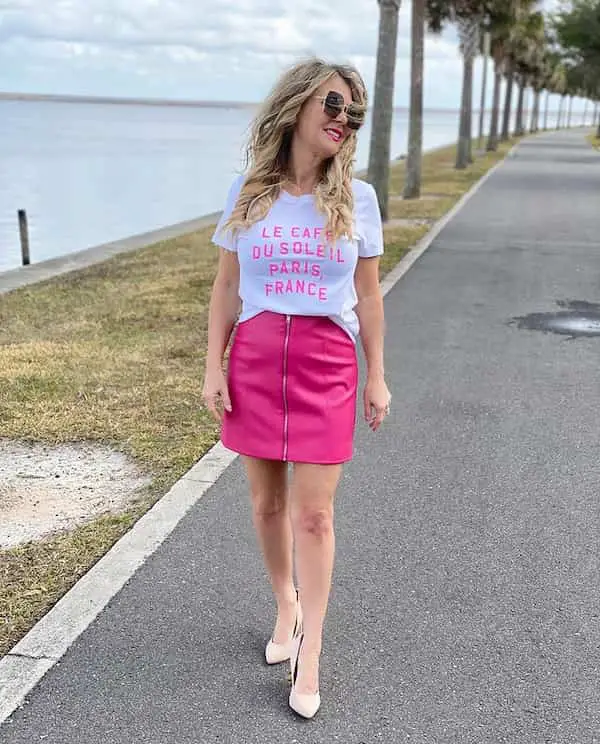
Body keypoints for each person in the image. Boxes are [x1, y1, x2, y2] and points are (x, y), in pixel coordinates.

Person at [202, 57, 391, 719]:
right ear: (299, 105)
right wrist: (213, 365)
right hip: (256, 356)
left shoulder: (357, 199)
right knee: (266, 506)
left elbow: (368, 297)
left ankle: (311, 648)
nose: (344, 120)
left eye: (352, 113)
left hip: (325, 362)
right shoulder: (248, 192)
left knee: (314, 514)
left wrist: (378, 377)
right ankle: (285, 600)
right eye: (335, 105)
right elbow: (226, 286)